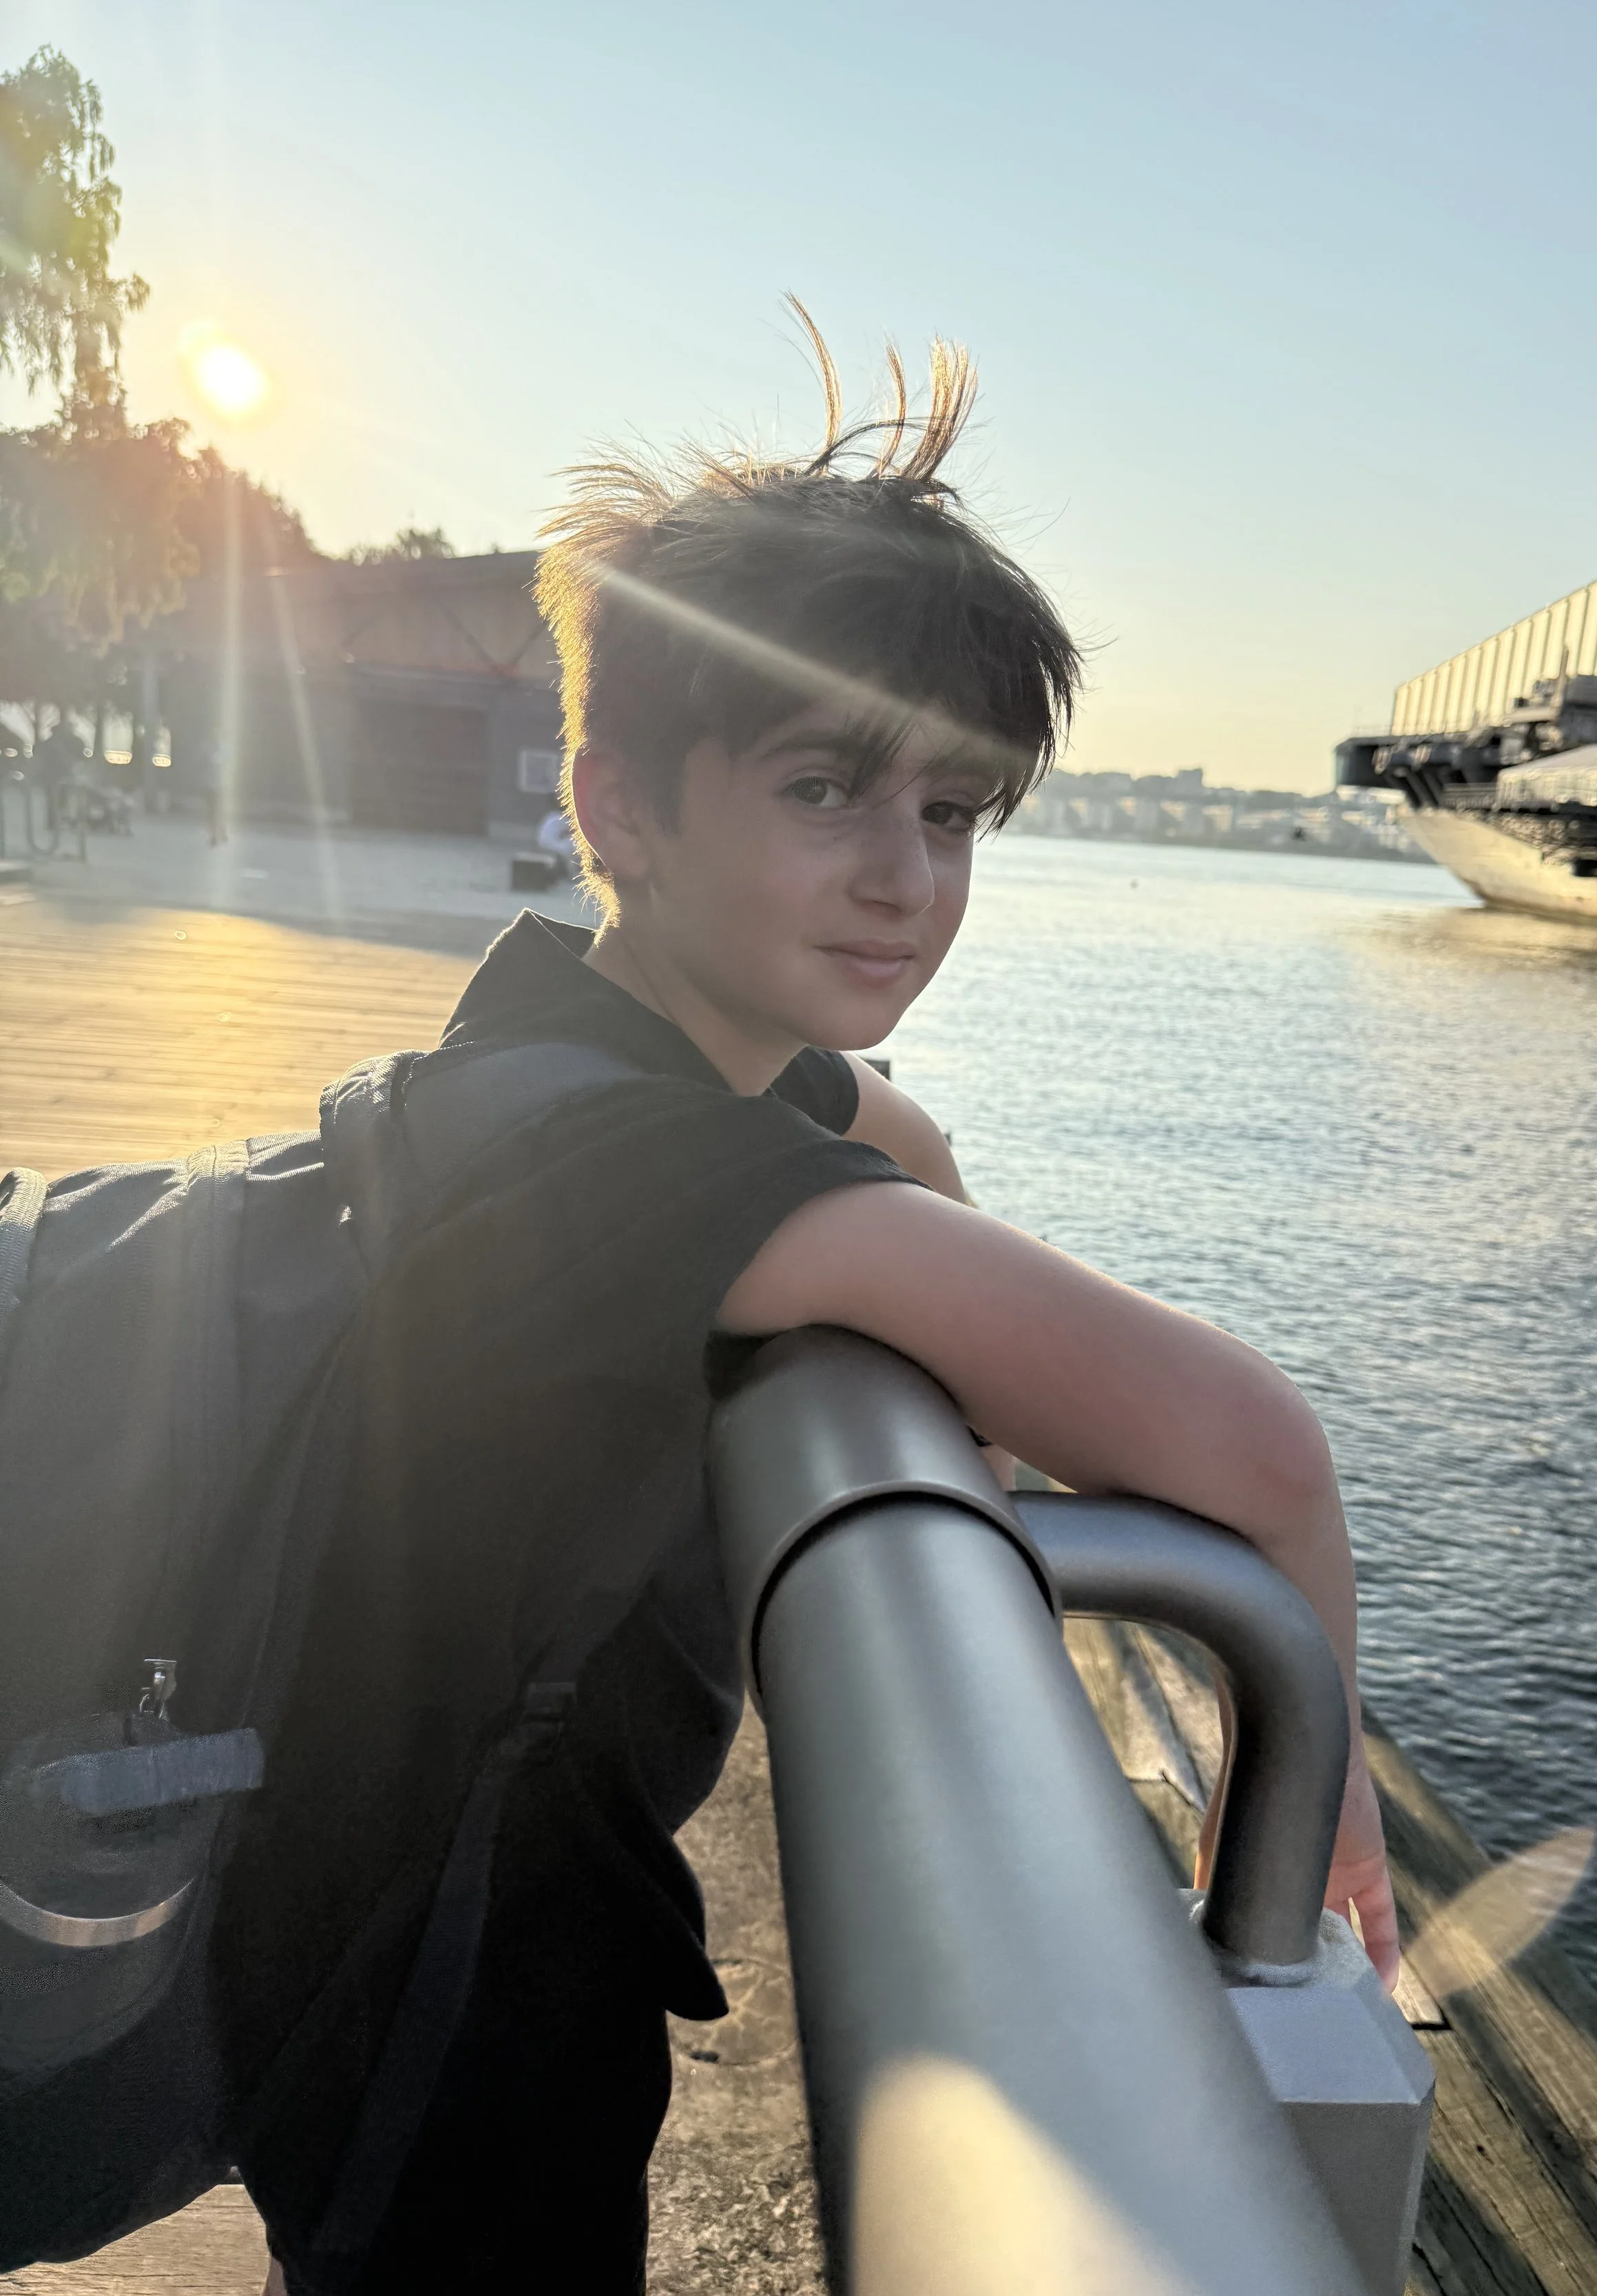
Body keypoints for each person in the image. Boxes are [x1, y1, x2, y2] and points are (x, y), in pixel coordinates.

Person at [219, 320, 1395, 2294]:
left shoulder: (568, 1036)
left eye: (951, 813)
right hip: (445, 1972)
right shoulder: (642, 1167)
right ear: (624, 810)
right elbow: (1255, 1452)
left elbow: (892, 1130)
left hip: (397, 1892)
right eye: (827, 787)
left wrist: (987, 1429)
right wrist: (1323, 1826)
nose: (903, 881)